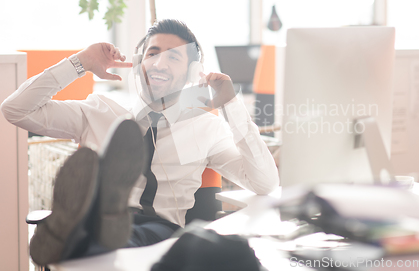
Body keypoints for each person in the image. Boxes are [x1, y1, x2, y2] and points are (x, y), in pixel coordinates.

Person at [1, 19, 279, 265]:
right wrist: (80, 62)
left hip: (161, 230)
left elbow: (264, 182)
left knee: (128, 240)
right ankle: (91, 225)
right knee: (110, 241)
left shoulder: (206, 127)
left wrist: (232, 105)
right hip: (106, 228)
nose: (159, 63)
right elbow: (15, 110)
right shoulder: (100, 110)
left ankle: (78, 236)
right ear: (138, 64)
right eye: (152, 54)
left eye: (173, 58)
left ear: (194, 71)